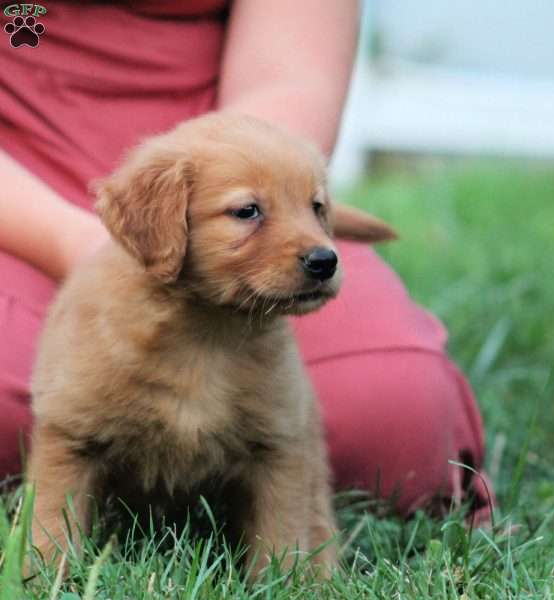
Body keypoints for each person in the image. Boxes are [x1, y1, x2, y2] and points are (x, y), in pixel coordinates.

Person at [0, 0, 492, 520]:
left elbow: (288, 79)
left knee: (393, 420)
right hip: (20, 199)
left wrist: (259, 198)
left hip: (230, 167)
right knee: (25, 411)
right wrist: (91, 243)